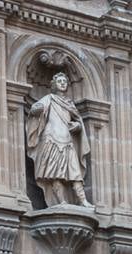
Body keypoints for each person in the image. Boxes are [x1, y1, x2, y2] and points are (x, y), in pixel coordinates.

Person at [26, 72, 91, 207]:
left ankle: (83, 201)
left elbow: (77, 120)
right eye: (59, 81)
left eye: (64, 81)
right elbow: (34, 109)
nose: (62, 83)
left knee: (75, 173)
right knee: (55, 173)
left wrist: (78, 125)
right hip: (51, 139)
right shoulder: (49, 98)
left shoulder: (70, 104)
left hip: (67, 142)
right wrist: (36, 108)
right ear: (54, 85)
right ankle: (60, 201)